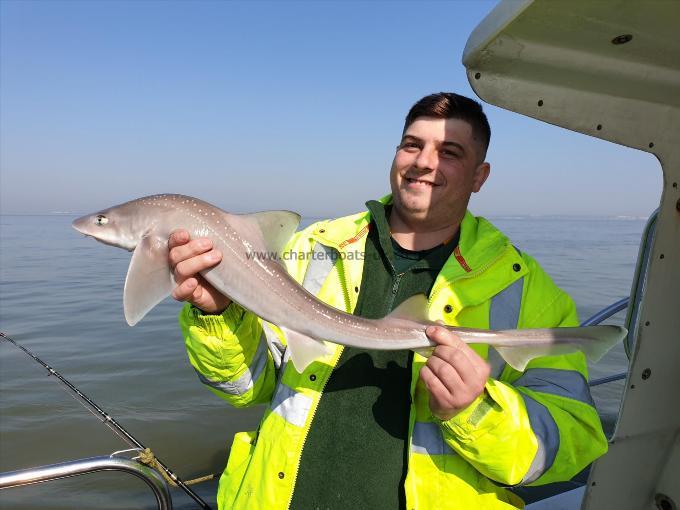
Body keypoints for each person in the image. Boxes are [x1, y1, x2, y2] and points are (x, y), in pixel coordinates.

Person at [169, 93, 608, 509]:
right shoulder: (309, 249)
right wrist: (219, 312)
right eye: (411, 145)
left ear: (480, 176)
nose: (423, 163)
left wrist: (476, 412)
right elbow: (247, 388)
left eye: (449, 152)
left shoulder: (527, 289)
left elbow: (571, 443)